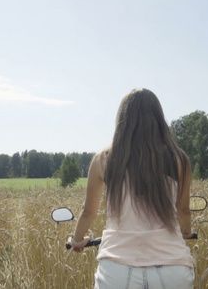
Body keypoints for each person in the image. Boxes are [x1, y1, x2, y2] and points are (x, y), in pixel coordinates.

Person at [69, 88, 195, 289]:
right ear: (158, 118)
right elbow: (184, 210)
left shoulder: (105, 159)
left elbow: (88, 212)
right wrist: (187, 232)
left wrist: (77, 240)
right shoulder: (179, 159)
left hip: (117, 272)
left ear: (123, 120)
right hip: (172, 270)